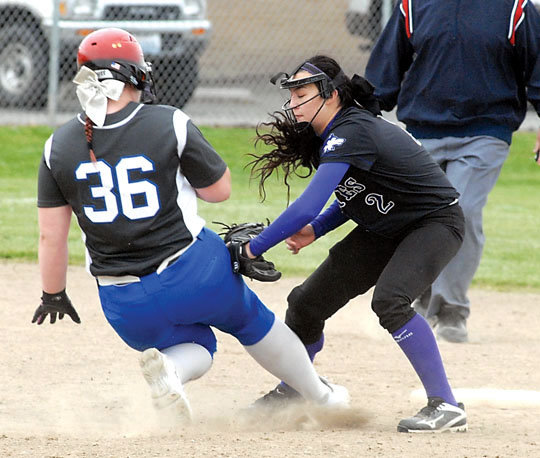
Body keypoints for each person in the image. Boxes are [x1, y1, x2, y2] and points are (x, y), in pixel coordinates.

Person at [32, 28, 350, 421]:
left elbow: (51, 236)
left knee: (195, 343)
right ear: (136, 76)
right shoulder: (168, 121)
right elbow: (220, 191)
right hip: (191, 270)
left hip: (121, 300)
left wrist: (53, 294)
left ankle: (172, 372)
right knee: (251, 321)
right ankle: (321, 396)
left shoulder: (57, 145)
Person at [242, 55, 468, 433]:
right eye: (292, 94)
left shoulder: (354, 129)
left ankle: (446, 404)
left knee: (390, 300)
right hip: (385, 227)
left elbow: (307, 205)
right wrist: (317, 229)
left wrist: (254, 247)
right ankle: (295, 388)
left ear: (330, 94)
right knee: (305, 304)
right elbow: (357, 193)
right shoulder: (326, 137)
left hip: (434, 222)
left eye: (302, 93)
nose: (294, 102)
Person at [364, 0, 540, 343]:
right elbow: (384, 71)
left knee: (462, 209)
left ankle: (450, 311)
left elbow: (539, 67)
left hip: (486, 130)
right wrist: (363, 117)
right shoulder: (413, 6)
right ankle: (421, 296)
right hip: (420, 130)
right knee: (418, 217)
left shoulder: (515, 8)